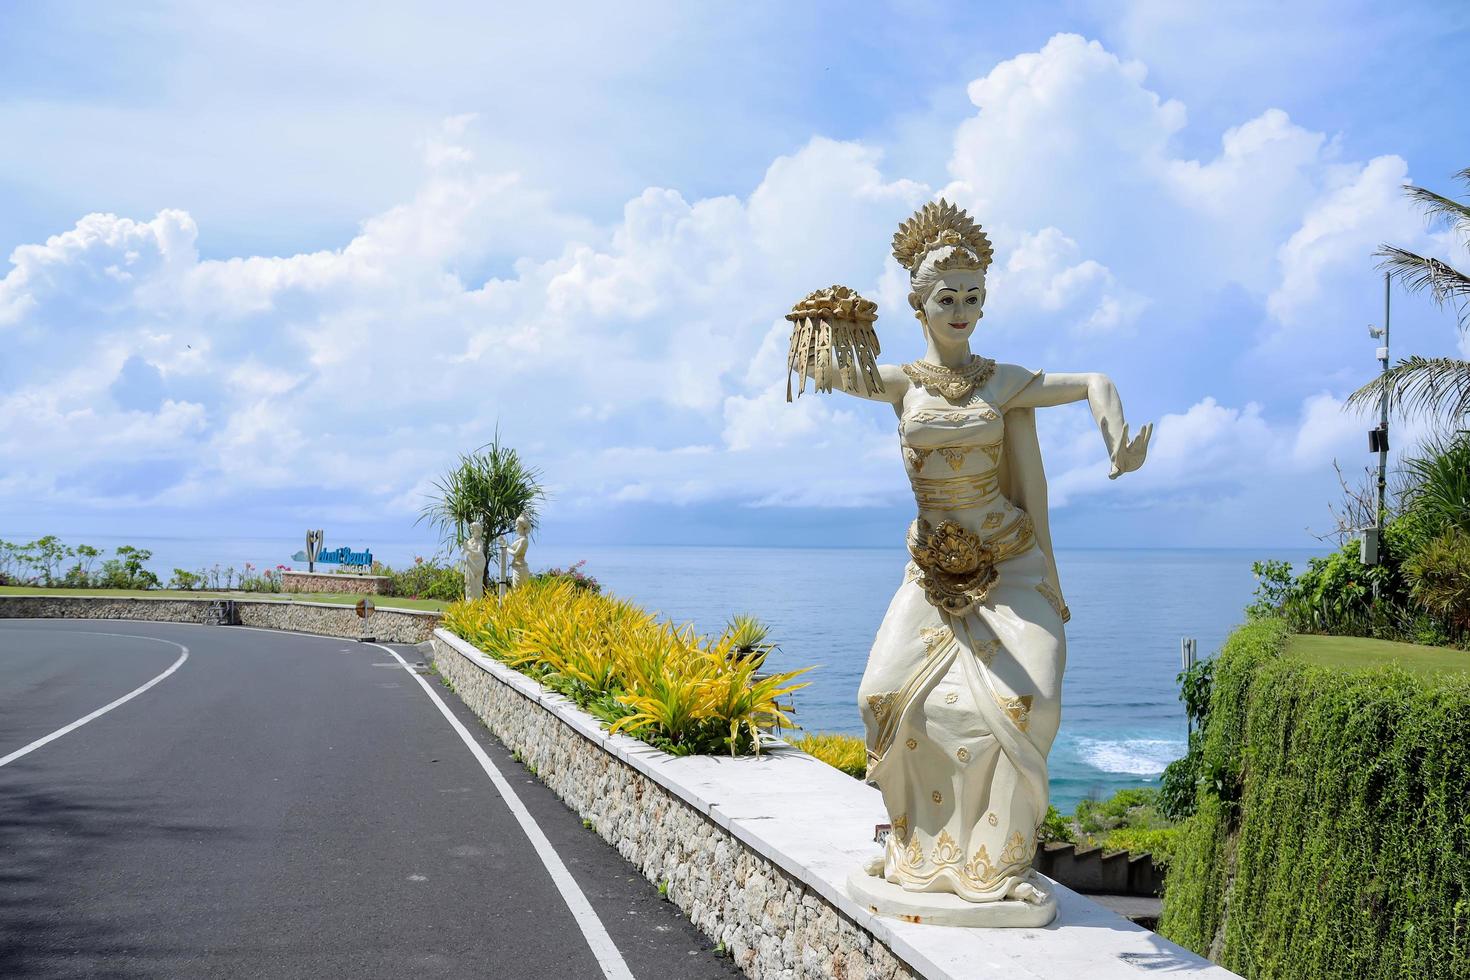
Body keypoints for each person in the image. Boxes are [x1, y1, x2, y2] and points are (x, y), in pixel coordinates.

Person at [806, 200, 1151, 914]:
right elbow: (835, 375)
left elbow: (1090, 381)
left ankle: (994, 862)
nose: (960, 310)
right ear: (918, 304)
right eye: (946, 298)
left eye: (972, 297)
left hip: (1009, 564)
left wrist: (1113, 432)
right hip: (932, 572)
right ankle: (920, 850)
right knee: (882, 696)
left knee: (1033, 702)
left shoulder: (1003, 381)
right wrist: (825, 324)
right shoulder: (900, 382)